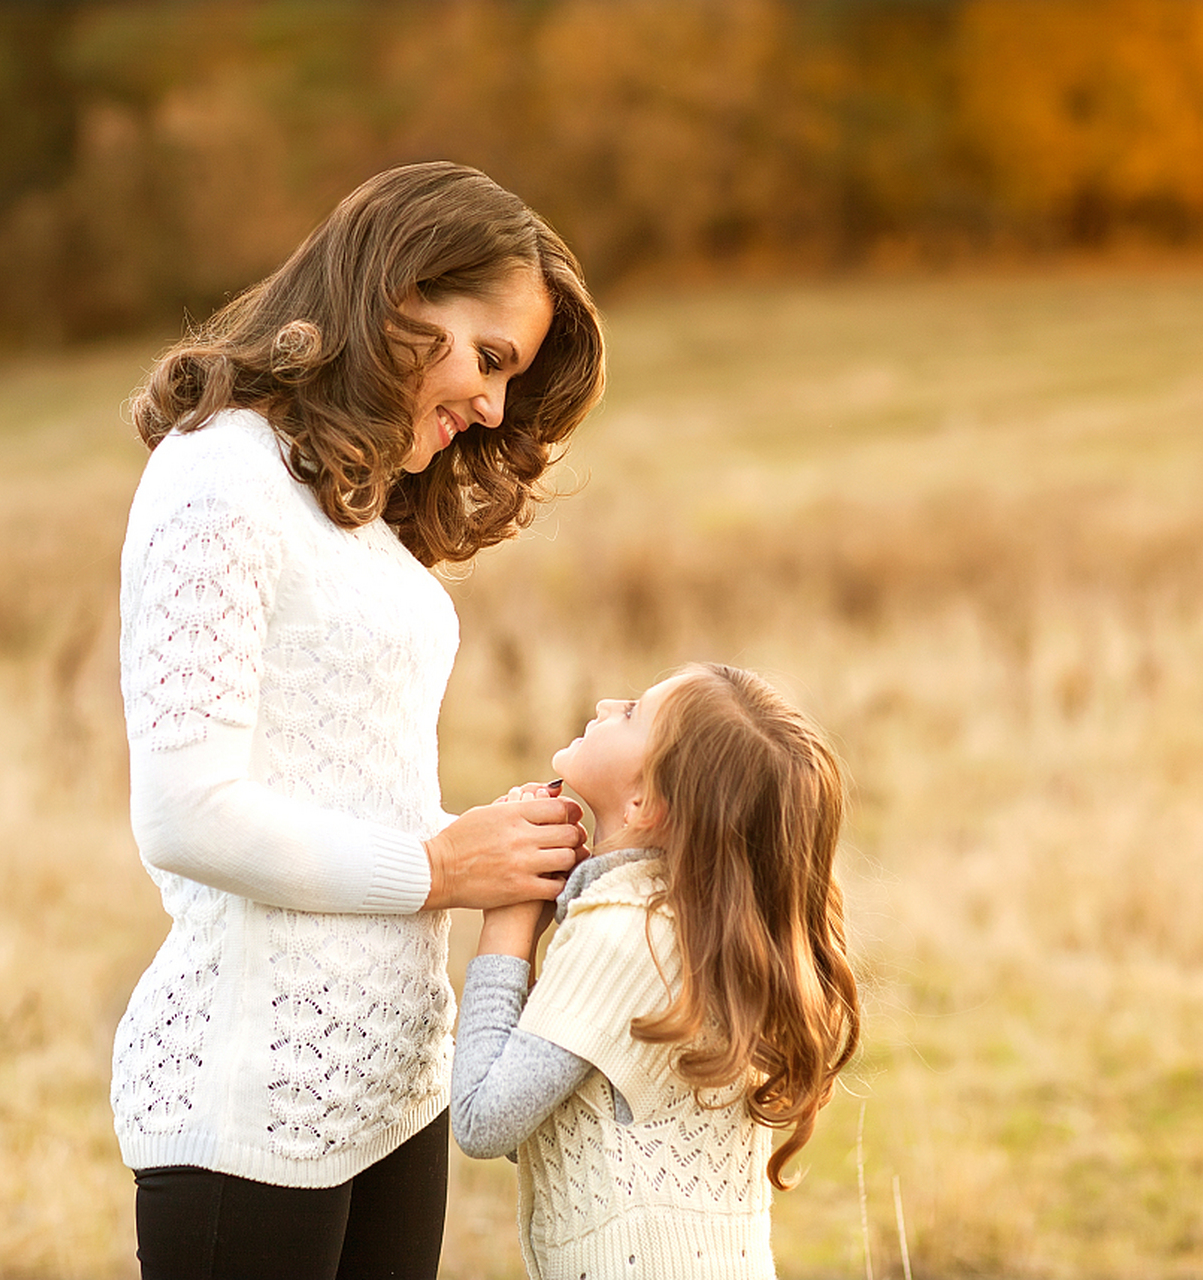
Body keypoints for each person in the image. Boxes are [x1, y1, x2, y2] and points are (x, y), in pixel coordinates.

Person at [113, 162, 605, 1280]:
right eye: (487, 358)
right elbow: (188, 813)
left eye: (507, 379)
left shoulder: (343, 506)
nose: (490, 407)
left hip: (394, 1093)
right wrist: (436, 864)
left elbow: (337, 786)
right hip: (254, 1114)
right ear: (397, 294)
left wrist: (496, 849)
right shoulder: (217, 478)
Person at [451, 663, 862, 1280]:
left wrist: (506, 925)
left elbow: (485, 1121)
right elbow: (554, 1129)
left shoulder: (623, 934)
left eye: (634, 713)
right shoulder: (697, 927)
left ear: (645, 800)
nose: (608, 700)